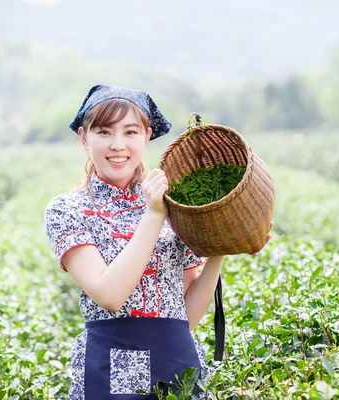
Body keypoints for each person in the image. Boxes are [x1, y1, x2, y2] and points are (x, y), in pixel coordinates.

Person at [44, 85, 271, 399]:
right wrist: (153, 215)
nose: (118, 144)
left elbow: (186, 315)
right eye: (104, 132)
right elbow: (109, 294)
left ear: (146, 136)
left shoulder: (178, 205)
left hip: (177, 357)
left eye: (130, 132)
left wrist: (221, 250)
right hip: (116, 362)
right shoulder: (68, 210)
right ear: (84, 138)